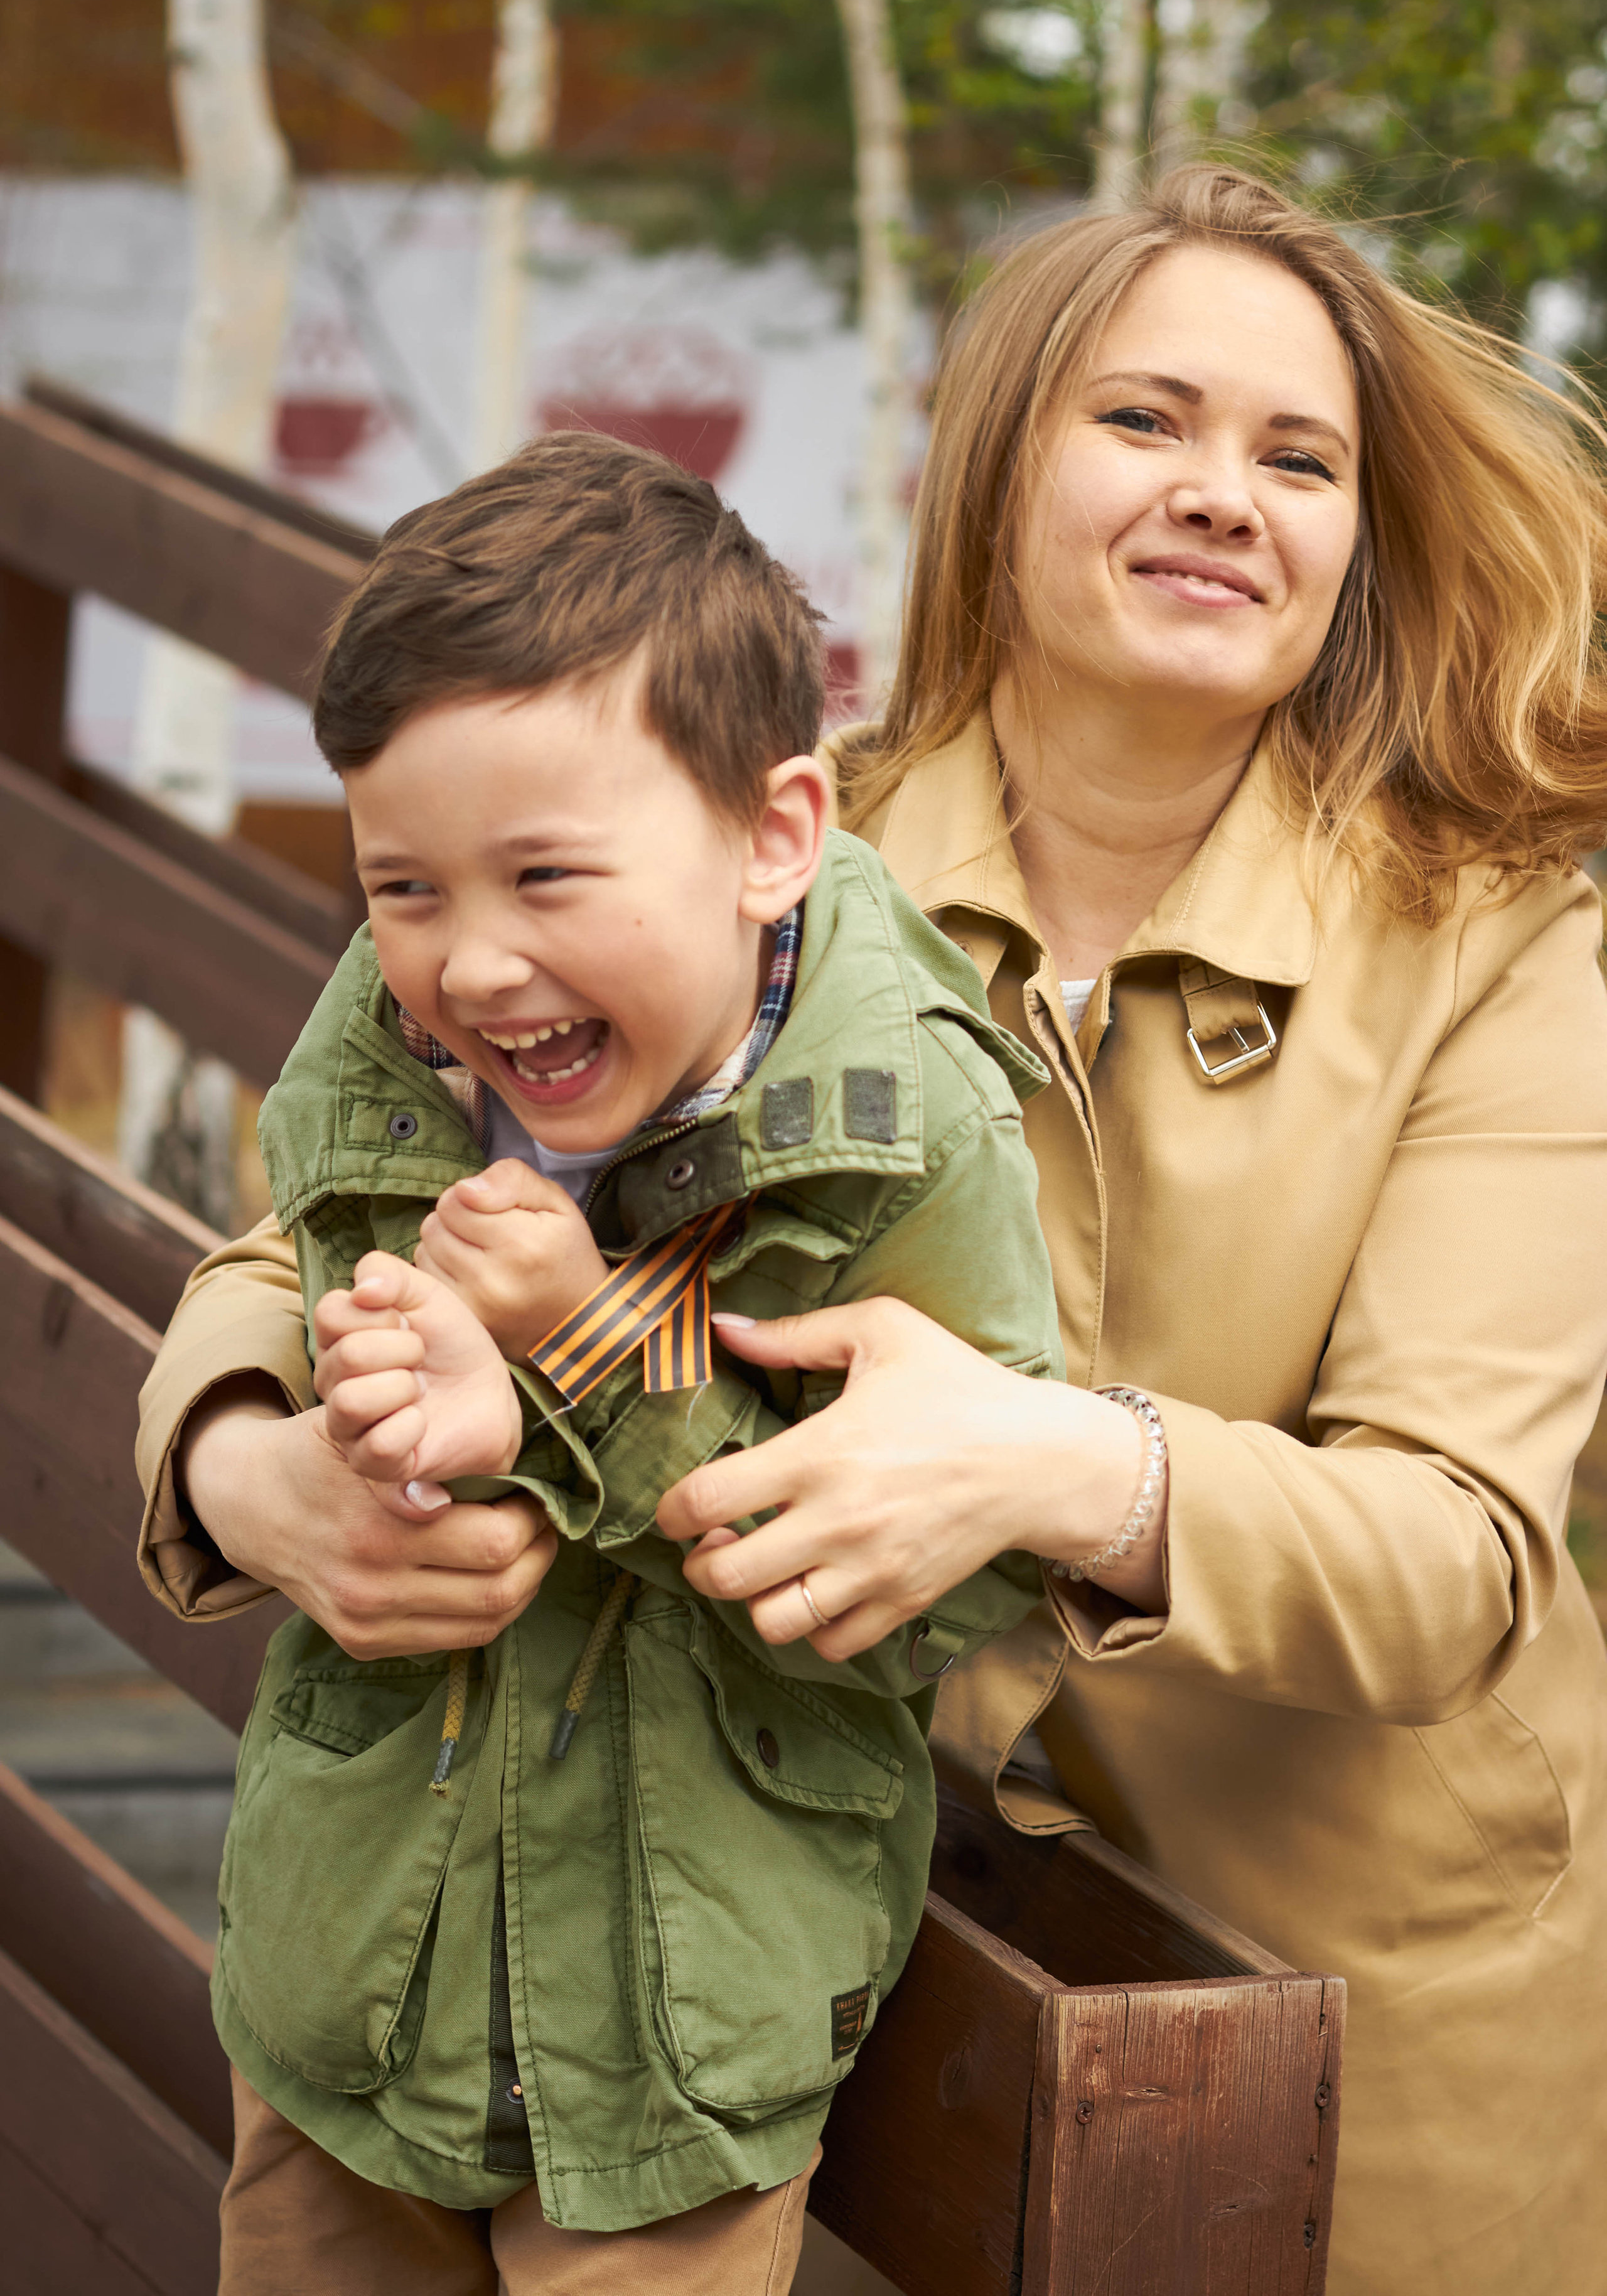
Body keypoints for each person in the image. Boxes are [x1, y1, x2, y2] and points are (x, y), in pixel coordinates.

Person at [137, 165, 1607, 2296]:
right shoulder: (747, 830)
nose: (1225, 493)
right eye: (1147, 422)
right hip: (818, 1937)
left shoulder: (1508, 943)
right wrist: (255, 1474)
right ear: (993, 470)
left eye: (1300, 457)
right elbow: (309, 1236)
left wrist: (1046, 1458)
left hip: (1346, 1994)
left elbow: (1457, 1555)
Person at [153, 431, 1072, 2295]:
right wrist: (373, 1402)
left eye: (548, 876)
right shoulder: (395, 1060)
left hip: (671, 2038)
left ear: (772, 840)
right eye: (401, 889)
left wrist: (577, 1354)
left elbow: (934, 1599)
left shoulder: (912, 1139)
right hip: (352, 1982)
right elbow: (308, 1298)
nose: (476, 967)